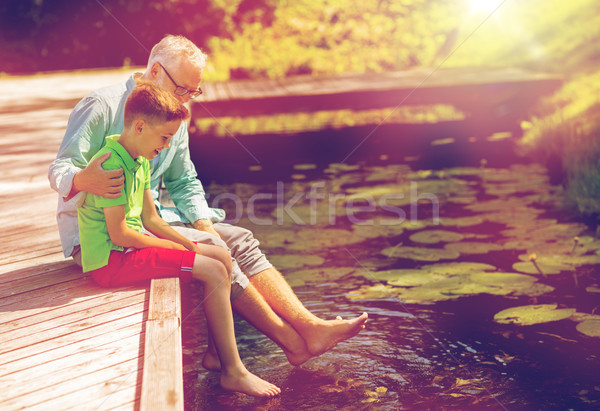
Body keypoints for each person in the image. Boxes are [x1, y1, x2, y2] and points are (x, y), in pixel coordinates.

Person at [48, 34, 368, 368]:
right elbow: (61, 167)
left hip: (148, 220)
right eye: (182, 89)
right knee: (217, 253)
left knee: (236, 238)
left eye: (193, 92)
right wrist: (84, 179)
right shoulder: (102, 105)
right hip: (99, 236)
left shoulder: (171, 114)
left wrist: (204, 225)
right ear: (156, 71)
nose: (186, 100)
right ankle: (289, 343)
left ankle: (308, 327)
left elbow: (183, 181)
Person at [77, 81, 280, 397]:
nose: (168, 145)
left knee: (220, 255)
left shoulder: (140, 158)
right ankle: (234, 371)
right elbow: (119, 233)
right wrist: (177, 248)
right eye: (165, 137)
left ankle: (216, 353)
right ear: (140, 126)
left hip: (130, 246)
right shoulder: (113, 165)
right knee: (211, 270)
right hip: (111, 260)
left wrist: (190, 243)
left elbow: (151, 219)